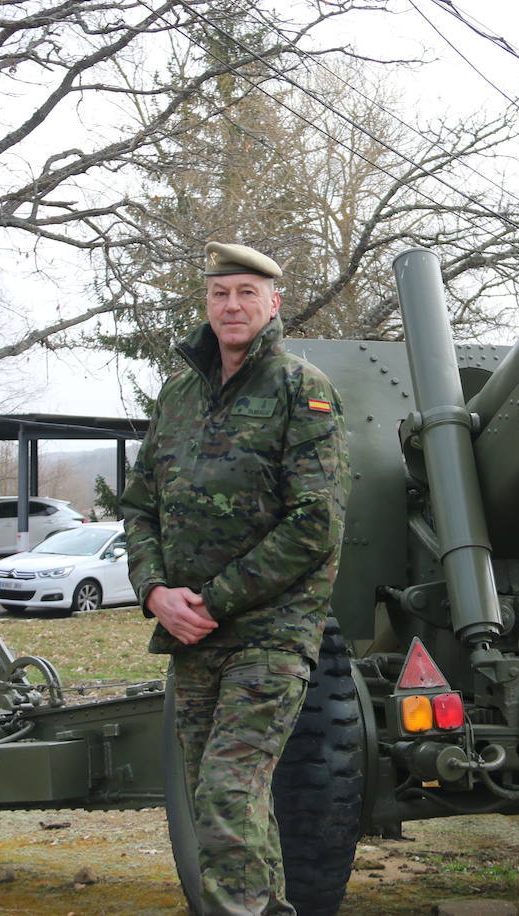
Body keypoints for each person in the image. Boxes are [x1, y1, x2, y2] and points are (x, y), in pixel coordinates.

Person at [120, 241, 351, 915]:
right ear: (207, 303)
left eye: (247, 293)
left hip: (269, 633)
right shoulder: (178, 396)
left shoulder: (300, 390)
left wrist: (213, 600)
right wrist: (155, 591)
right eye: (221, 293)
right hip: (191, 635)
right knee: (223, 801)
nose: (232, 305)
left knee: (227, 792)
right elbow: (138, 507)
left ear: (273, 304)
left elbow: (316, 523)